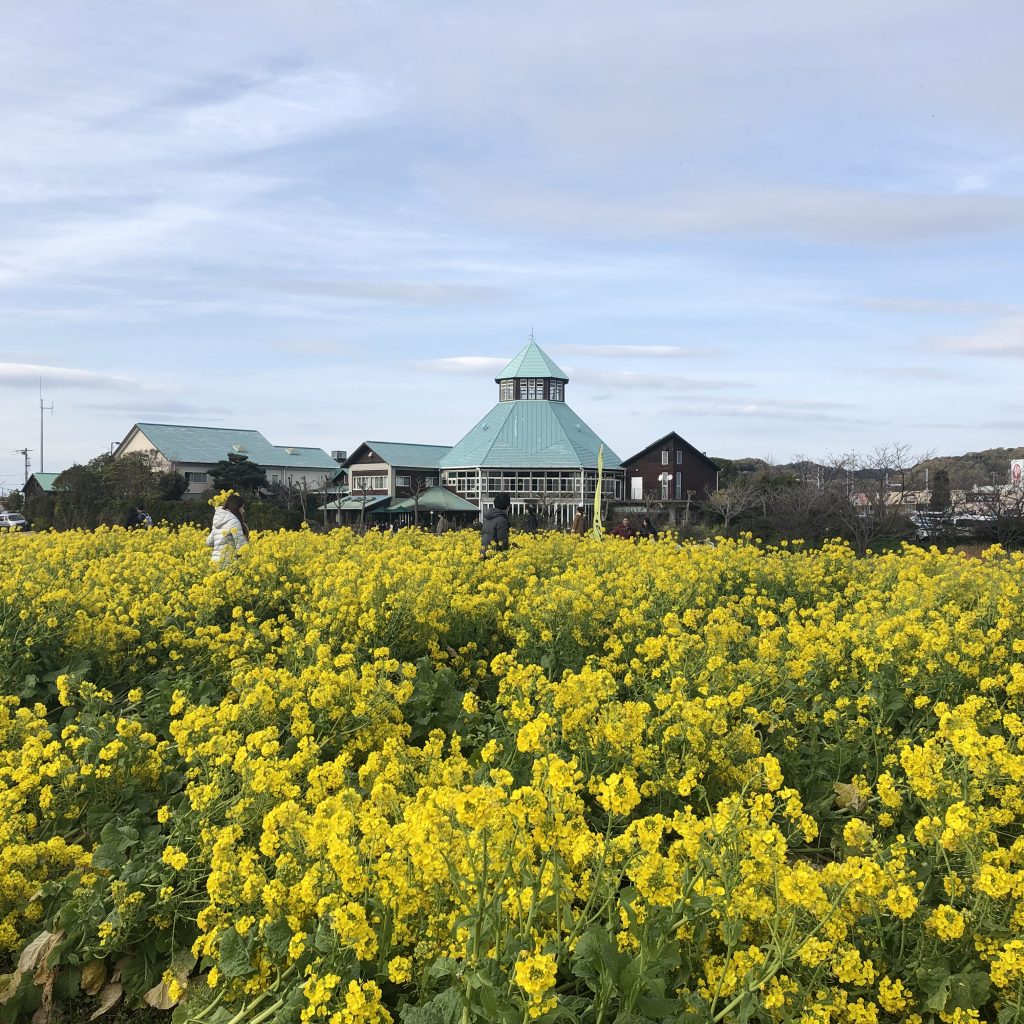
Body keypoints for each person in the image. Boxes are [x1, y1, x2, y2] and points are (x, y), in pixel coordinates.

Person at [206, 493, 249, 563]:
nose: (243, 511)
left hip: (214, 563)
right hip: (228, 563)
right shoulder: (234, 522)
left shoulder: (217, 522)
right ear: (236, 508)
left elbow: (209, 542)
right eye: (242, 507)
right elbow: (241, 547)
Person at [480, 492, 511, 559]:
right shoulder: (501, 520)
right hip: (494, 556)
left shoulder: (489, 517)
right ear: (508, 506)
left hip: (484, 553)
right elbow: (502, 542)